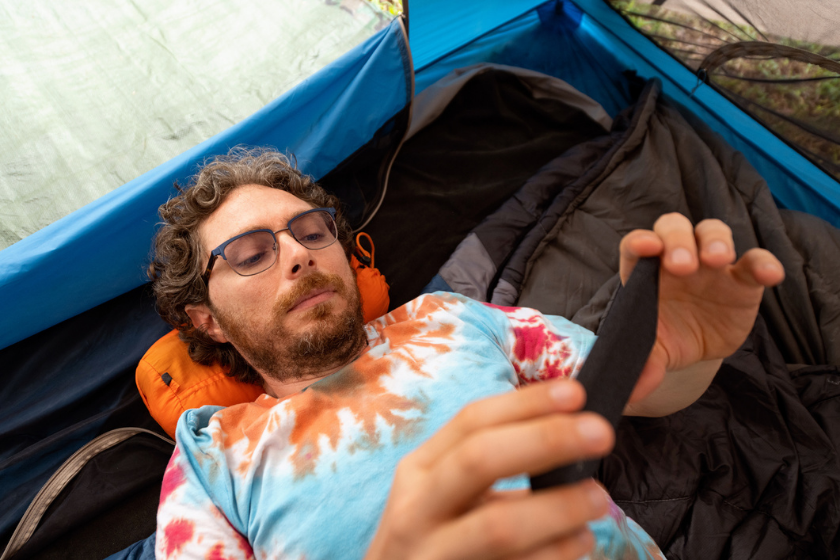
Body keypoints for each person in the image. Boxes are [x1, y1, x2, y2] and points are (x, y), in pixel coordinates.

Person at [149, 147, 784, 560]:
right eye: (250, 254)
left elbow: (647, 393)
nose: (297, 253)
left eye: (312, 231)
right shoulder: (212, 453)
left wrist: (678, 352)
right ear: (209, 320)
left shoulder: (445, 318)